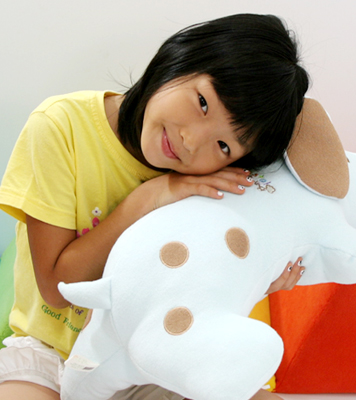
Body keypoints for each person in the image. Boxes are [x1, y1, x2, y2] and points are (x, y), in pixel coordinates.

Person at [0, 13, 308, 400]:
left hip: (154, 362)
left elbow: (192, 292)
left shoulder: (210, 184)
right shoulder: (61, 126)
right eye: (202, 103)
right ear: (180, 58)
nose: (191, 141)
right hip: (48, 357)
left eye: (223, 145)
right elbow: (58, 289)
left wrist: (256, 280)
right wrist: (149, 197)